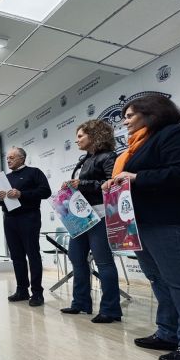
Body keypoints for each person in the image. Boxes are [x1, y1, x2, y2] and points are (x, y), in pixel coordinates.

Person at [103, 95, 180, 360]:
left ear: (151, 113)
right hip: (139, 222)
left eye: (130, 116)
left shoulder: (177, 133)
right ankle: (169, 333)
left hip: (168, 219)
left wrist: (136, 178)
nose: (125, 122)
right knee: (158, 279)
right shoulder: (135, 147)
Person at [60, 120, 122, 323]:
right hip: (81, 217)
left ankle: (110, 310)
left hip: (100, 215)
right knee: (76, 257)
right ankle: (80, 303)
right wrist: (72, 186)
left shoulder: (108, 157)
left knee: (103, 262)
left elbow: (112, 184)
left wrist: (82, 183)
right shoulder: (85, 159)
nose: (76, 140)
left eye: (80, 136)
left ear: (94, 136)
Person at [0, 147, 51, 306]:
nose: (8, 160)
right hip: (10, 219)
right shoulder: (5, 178)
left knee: (32, 254)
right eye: (7, 158)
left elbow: (45, 191)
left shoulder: (34, 172)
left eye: (12, 157)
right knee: (16, 256)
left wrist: (22, 194)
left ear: (22, 158)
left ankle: (37, 293)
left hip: (29, 217)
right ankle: (22, 290)